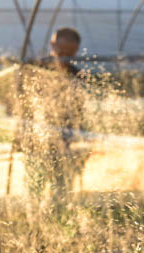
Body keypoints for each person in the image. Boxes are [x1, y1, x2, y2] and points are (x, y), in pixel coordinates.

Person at [15, 27, 87, 211]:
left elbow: (80, 112)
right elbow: (20, 105)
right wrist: (20, 134)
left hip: (64, 143)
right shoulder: (33, 69)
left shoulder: (76, 75)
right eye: (61, 51)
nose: (64, 57)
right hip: (34, 141)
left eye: (69, 54)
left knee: (62, 186)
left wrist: (80, 139)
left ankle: (58, 217)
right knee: (34, 185)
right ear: (52, 45)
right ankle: (32, 222)